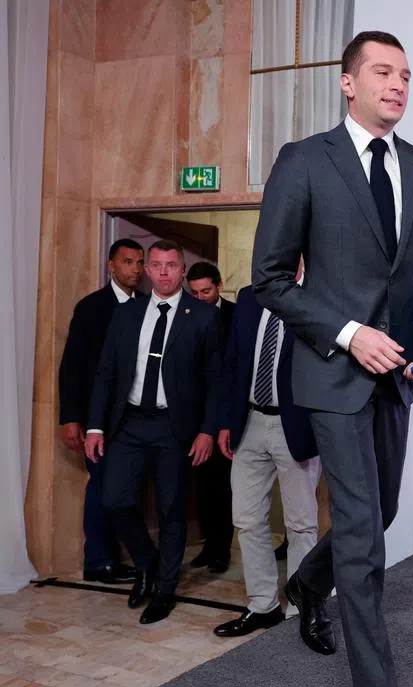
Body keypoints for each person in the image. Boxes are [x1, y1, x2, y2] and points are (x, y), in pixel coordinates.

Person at [252, 30, 413, 687]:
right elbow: (270, 281)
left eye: (406, 74)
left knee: (384, 512)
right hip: (334, 376)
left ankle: (310, 582)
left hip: (396, 379)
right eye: (382, 71)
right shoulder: (305, 162)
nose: (397, 84)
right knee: (367, 533)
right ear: (348, 83)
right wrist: (347, 332)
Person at [85, 240, 222, 625]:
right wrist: (95, 425)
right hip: (128, 423)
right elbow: (106, 372)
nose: (163, 272)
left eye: (172, 265)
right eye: (157, 265)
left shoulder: (203, 317)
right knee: (113, 499)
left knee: (171, 508)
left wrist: (207, 430)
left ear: (182, 270)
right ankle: (147, 563)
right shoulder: (127, 314)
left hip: (174, 427)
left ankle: (164, 590)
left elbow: (216, 381)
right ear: (148, 270)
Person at [213, 265, 321, 638]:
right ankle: (263, 606)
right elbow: (233, 362)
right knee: (246, 519)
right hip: (248, 423)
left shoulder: (319, 296)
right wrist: (226, 420)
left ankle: (300, 610)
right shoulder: (248, 296)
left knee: (301, 524)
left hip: (297, 428)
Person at [58, 238, 145, 585]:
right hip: (100, 420)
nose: (135, 270)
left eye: (139, 262)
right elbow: (73, 366)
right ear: (111, 265)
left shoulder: (147, 306)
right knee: (102, 487)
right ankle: (98, 560)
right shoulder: (92, 307)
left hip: (137, 418)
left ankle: (125, 555)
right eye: (128, 262)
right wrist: (71, 417)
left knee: (127, 490)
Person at [186, 261, 236, 572]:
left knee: (225, 488)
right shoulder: (186, 315)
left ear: (218, 286)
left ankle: (221, 551)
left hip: (228, 415)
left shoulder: (236, 314)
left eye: (206, 290)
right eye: (194, 292)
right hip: (195, 416)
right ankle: (208, 546)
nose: (201, 297)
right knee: (201, 487)